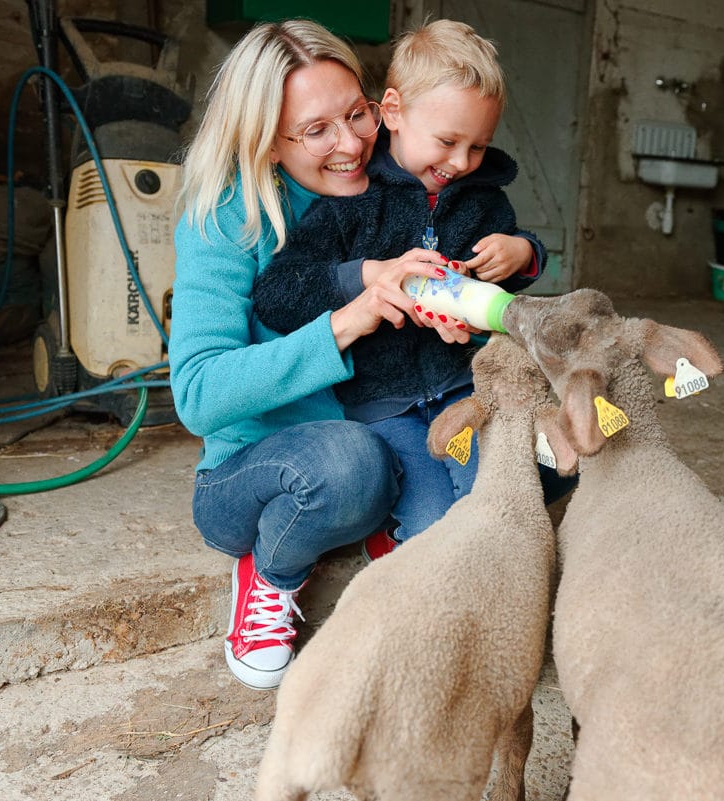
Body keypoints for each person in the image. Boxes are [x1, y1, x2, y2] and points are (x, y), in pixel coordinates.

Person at [168, 19, 466, 691]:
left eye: (357, 114)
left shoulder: (390, 191)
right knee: (348, 463)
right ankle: (270, 572)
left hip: (380, 433)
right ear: (265, 141)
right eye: (317, 130)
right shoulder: (226, 218)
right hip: (255, 470)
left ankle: (394, 520)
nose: (352, 143)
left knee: (511, 451)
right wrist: (345, 322)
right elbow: (197, 393)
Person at [251, 19, 547, 560]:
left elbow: (500, 276)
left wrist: (522, 251)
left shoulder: (480, 201)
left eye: (478, 146)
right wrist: (359, 276)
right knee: (433, 516)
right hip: (384, 408)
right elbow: (278, 291)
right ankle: (405, 558)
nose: (460, 163)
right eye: (448, 141)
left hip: (462, 392)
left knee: (494, 489)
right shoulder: (350, 202)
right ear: (392, 111)